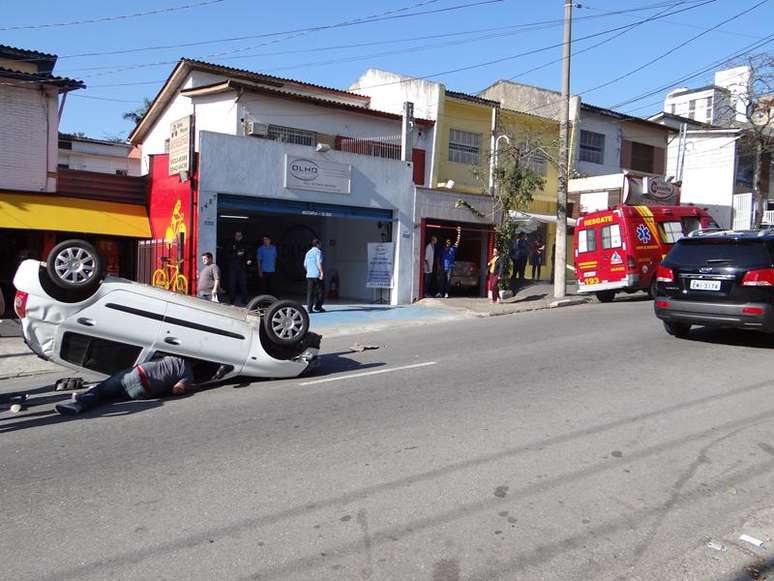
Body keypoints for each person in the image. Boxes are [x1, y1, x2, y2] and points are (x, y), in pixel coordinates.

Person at [55, 356, 194, 415]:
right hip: (143, 391)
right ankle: (87, 398)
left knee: (102, 389)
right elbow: (177, 389)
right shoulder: (188, 374)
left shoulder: (172, 356)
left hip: (136, 374)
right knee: (110, 396)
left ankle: (79, 403)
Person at [226, 231, 250, 307]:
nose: (238, 236)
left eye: (239, 235)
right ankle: (232, 301)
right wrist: (236, 254)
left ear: (242, 236)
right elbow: (226, 254)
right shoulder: (230, 244)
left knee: (243, 284)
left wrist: (248, 259)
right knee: (232, 284)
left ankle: (244, 301)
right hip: (233, 267)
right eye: (237, 235)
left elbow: (247, 254)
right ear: (235, 236)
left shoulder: (244, 244)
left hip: (242, 267)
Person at [304, 238, 325, 313]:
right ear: (318, 244)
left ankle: (309, 308)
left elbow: (305, 265)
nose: (321, 245)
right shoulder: (318, 252)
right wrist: (321, 272)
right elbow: (319, 262)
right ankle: (318, 307)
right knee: (321, 291)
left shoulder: (308, 252)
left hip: (309, 275)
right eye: (320, 244)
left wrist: (309, 271)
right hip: (316, 275)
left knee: (310, 292)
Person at [440, 226, 462, 298]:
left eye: (449, 241)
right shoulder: (443, 249)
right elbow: (440, 258)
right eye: (447, 242)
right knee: (442, 280)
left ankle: (446, 293)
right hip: (443, 267)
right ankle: (440, 293)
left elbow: (458, 241)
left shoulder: (453, 248)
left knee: (448, 280)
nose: (448, 243)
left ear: (450, 242)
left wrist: (459, 232)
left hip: (450, 267)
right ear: (445, 242)